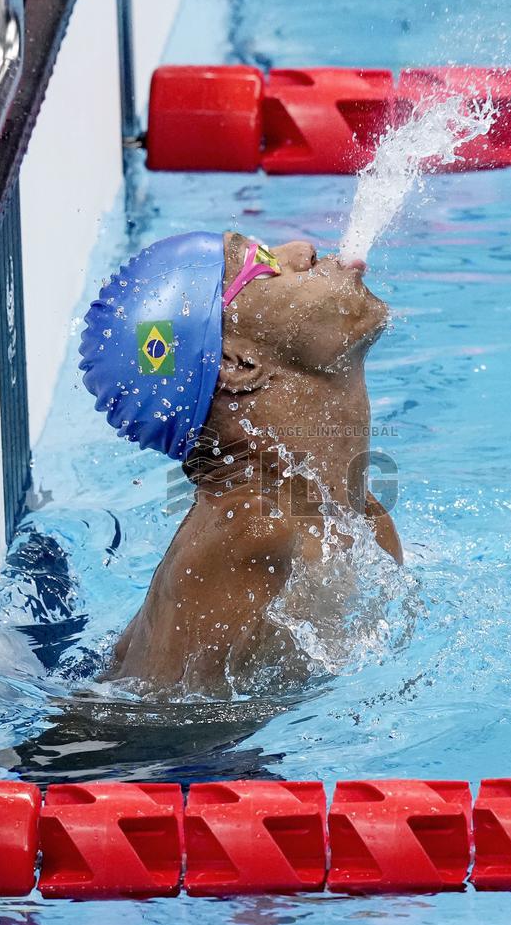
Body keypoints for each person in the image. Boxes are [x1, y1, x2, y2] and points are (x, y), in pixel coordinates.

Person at [80, 231, 402, 697]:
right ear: (235, 364)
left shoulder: (365, 518)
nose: (302, 250)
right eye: (262, 261)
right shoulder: (252, 526)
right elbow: (160, 735)